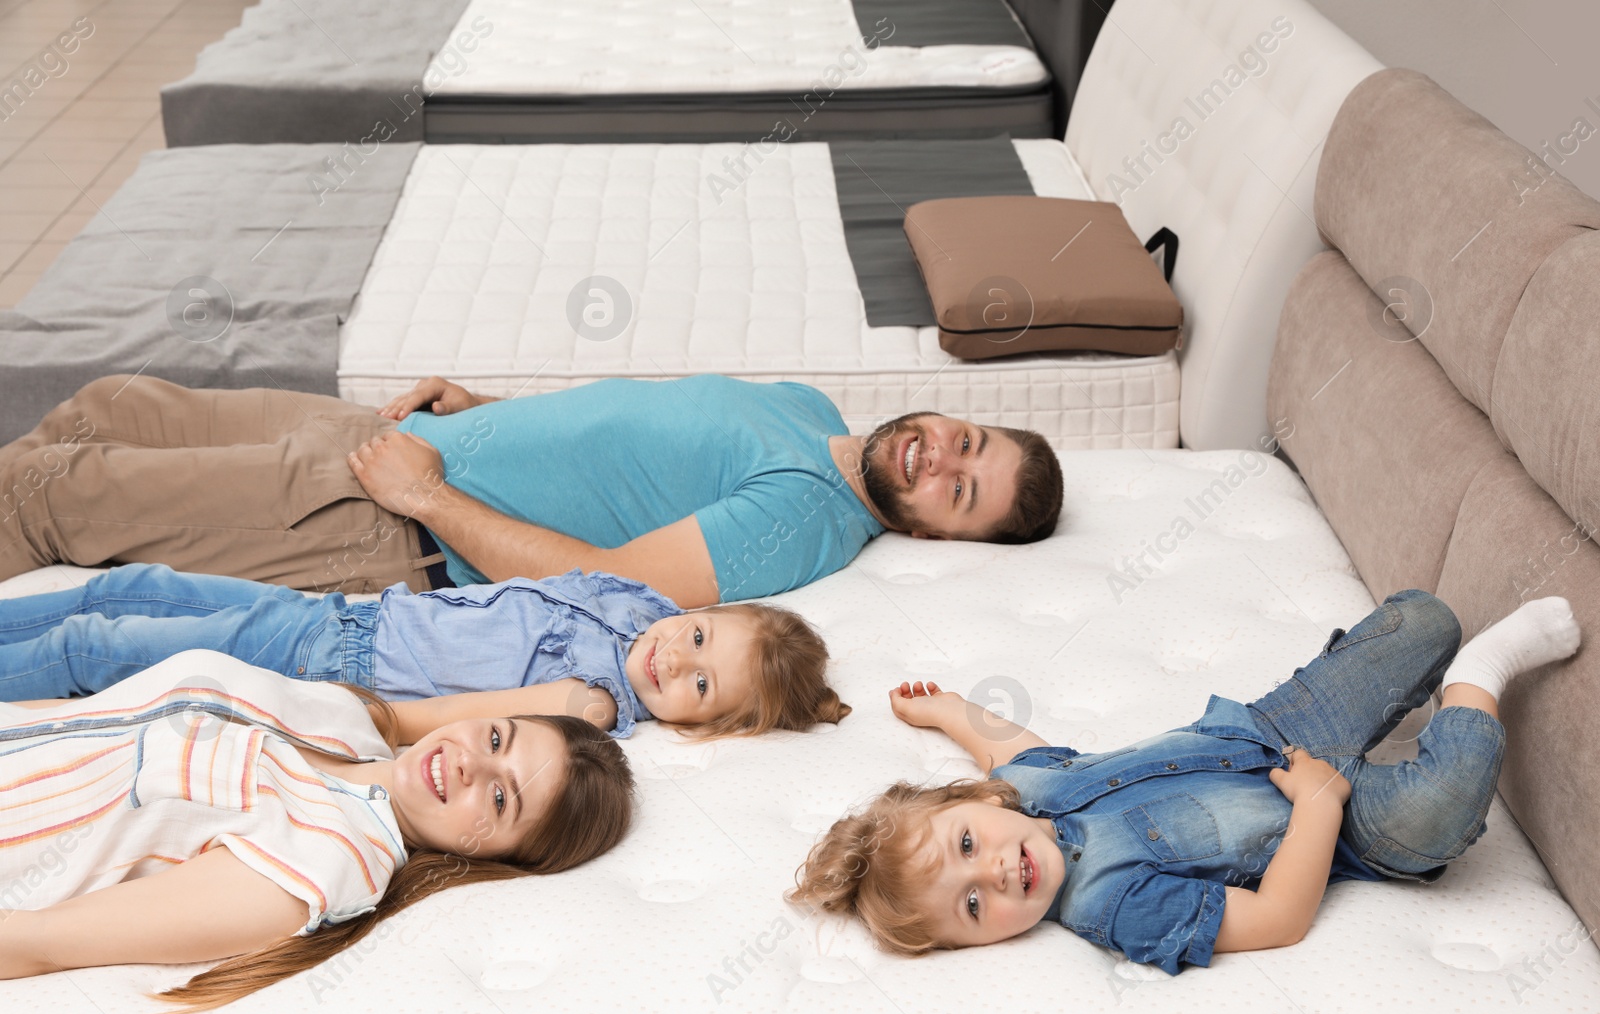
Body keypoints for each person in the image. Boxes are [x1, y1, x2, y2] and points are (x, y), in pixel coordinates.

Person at [789, 593, 1580, 969]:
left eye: (967, 844)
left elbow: (1011, 752)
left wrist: (955, 713)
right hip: (1340, 825)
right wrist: (1317, 805)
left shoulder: (1030, 793)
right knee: (1432, 813)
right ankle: (1482, 680)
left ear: (976, 804)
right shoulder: (1110, 907)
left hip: (1274, 725)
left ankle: (1425, 679)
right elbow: (1276, 918)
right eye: (971, 905)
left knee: (1426, 621)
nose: (994, 872)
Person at [0, 373, 1065, 607]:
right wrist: (488, 408)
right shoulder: (808, 407)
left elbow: (603, 583)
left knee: (50, 492)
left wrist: (430, 498)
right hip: (396, 440)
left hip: (378, 519)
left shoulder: (804, 519)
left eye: (961, 491)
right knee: (108, 406)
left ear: (939, 535)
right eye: (963, 441)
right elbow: (628, 433)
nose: (940, 458)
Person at [0, 648, 634, 1010]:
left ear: (497, 856)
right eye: (497, 736)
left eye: (500, 799)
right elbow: (88, 715)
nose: (471, 762)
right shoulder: (350, 722)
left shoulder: (327, 859)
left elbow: (44, 940)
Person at [0, 564, 846, 741]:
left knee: (99, 647)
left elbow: (481, 720)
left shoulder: (594, 704)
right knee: (124, 588)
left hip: (327, 662)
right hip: (340, 612)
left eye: (698, 687)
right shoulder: (646, 606)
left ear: (698, 723)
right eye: (699, 638)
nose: (675, 660)